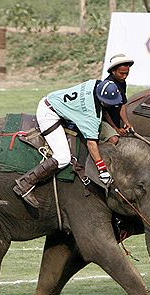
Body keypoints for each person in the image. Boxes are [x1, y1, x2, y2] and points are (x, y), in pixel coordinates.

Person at [14, 79, 123, 208]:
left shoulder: (96, 83)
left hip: (55, 100)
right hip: (49, 114)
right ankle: (25, 183)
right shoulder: (91, 114)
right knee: (63, 157)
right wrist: (102, 170)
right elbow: (91, 144)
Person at [99, 53, 134, 145]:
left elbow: (122, 104)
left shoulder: (122, 82)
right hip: (104, 119)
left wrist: (126, 122)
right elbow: (104, 111)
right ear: (113, 71)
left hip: (115, 117)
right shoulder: (108, 85)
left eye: (127, 73)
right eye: (122, 73)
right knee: (114, 140)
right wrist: (115, 128)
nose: (125, 76)